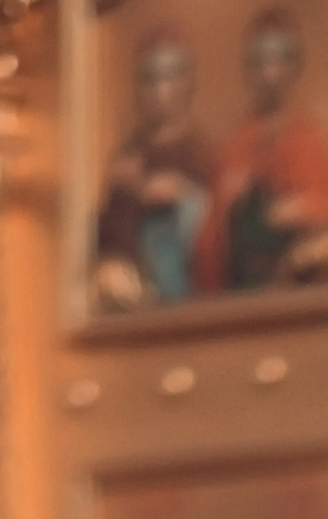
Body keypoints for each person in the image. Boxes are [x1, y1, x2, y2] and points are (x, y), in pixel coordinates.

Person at [196, 8, 328, 294]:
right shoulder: (235, 144)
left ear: (295, 65)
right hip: (243, 285)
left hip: (297, 280)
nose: (270, 73)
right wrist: (230, 201)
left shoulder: (310, 137)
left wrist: (298, 209)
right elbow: (210, 238)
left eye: (279, 60)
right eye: (260, 62)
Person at [93, 26, 216, 311]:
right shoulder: (128, 154)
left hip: (185, 287)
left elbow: (219, 226)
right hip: (135, 289)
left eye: (172, 76)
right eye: (151, 79)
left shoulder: (199, 152)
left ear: (189, 82)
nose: (162, 91)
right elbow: (110, 233)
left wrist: (187, 198)